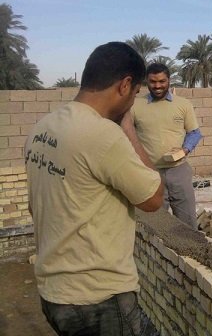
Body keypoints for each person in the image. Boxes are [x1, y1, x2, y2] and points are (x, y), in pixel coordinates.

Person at [26, 42, 164, 336]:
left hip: (53, 295)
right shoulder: (103, 134)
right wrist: (127, 128)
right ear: (125, 85)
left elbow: (35, 205)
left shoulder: (42, 128)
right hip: (98, 299)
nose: (133, 103)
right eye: (136, 93)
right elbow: (153, 198)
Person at [130, 62, 202, 228]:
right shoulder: (135, 106)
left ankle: (189, 252)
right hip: (150, 173)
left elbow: (194, 133)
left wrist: (184, 149)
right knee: (155, 225)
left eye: (162, 81)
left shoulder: (183, 105)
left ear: (169, 81)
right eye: (153, 82)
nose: (157, 86)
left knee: (188, 223)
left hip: (179, 171)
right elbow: (127, 135)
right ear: (146, 82)